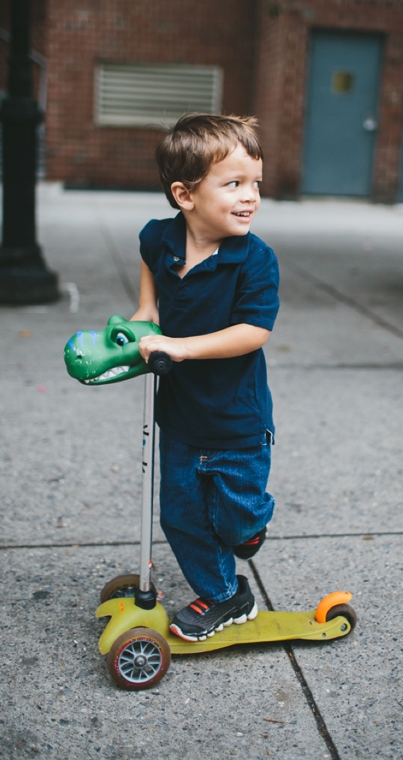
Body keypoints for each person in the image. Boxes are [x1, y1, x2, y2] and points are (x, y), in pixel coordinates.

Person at [131, 113, 279, 643]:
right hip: (181, 417)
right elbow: (148, 258)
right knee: (181, 517)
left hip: (236, 420)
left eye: (256, 184)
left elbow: (253, 331)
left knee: (235, 520)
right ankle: (225, 597)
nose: (251, 197)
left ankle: (252, 528)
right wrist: (147, 311)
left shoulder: (254, 260)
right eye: (234, 184)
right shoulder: (161, 239)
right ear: (185, 194)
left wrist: (181, 346)